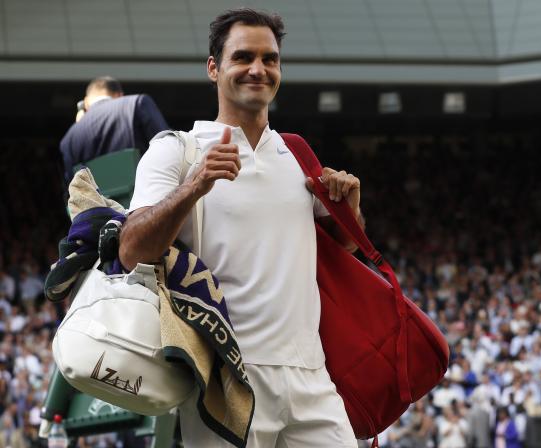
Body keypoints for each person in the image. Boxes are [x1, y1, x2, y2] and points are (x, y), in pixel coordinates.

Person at [119, 8, 365, 447]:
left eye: (269, 59)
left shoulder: (298, 154)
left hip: (311, 376)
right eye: (243, 57)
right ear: (214, 68)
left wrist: (352, 211)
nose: (258, 69)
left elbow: (343, 249)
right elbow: (131, 249)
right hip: (226, 379)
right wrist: (196, 185)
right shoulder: (176, 150)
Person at [59, 76, 169, 183]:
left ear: (85, 102)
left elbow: (72, 185)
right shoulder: (137, 103)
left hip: (96, 200)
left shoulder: (68, 138)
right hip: (145, 196)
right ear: (119, 95)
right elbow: (170, 148)